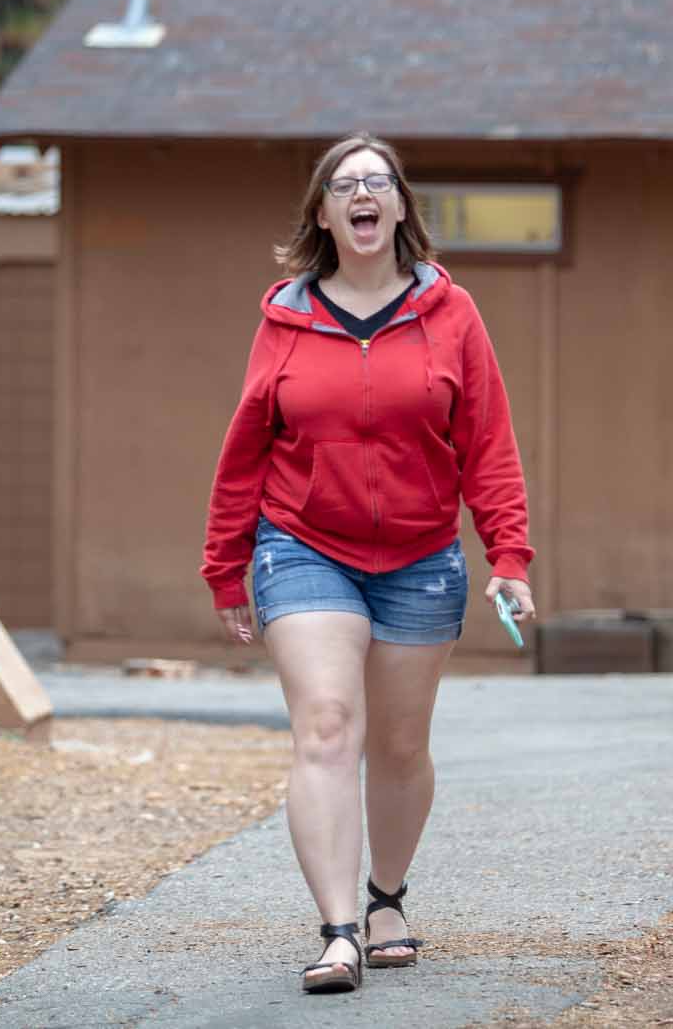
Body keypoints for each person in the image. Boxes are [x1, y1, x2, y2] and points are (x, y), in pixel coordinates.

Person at [198, 133, 537, 995]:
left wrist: (509, 554)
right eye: (344, 183)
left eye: (378, 181)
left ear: (398, 207)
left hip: (421, 554)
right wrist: (226, 563)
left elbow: (487, 442)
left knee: (398, 743)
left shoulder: (450, 313)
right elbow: (245, 449)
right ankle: (339, 929)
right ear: (322, 213)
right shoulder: (286, 317)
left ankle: (387, 897)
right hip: (303, 543)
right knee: (325, 723)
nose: (362, 192)